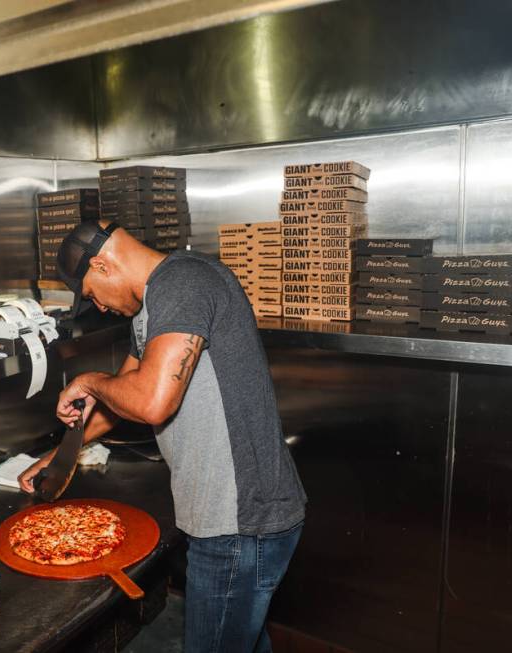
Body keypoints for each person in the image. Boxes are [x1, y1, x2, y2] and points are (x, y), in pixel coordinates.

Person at [19, 221, 307, 653]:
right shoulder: (154, 304)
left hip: (240, 521)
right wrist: (58, 457)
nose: (99, 307)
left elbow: (152, 402)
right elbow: (126, 396)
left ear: (103, 264)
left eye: (93, 294)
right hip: (231, 516)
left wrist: (91, 381)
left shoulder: (184, 282)